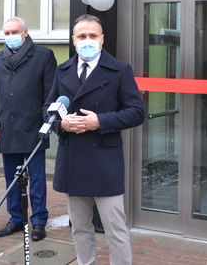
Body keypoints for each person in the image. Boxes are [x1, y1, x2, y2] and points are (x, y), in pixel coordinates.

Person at [45, 14, 145, 264]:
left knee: (115, 230)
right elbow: (47, 107)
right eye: (82, 36)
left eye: (92, 36)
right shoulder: (63, 70)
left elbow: (136, 112)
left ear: (102, 40)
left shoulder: (120, 70)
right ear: (73, 40)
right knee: (79, 228)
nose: (87, 41)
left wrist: (100, 121)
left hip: (105, 160)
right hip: (72, 160)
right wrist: (62, 123)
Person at [0, 16, 57, 242]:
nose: (10, 36)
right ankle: (16, 218)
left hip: (34, 128)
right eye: (6, 33)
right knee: (12, 177)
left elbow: (50, 93)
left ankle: (38, 221)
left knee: (36, 178)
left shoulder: (43, 56)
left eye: (14, 32)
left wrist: (49, 122)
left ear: (25, 33)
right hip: (7, 127)